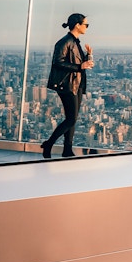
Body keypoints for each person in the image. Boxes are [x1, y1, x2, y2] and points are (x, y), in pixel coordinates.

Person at [41, 13, 94, 158]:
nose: (87, 27)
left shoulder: (75, 42)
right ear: (77, 25)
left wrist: (88, 57)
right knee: (71, 119)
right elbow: (58, 62)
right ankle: (49, 144)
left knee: (73, 118)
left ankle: (67, 149)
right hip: (67, 84)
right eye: (86, 24)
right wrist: (80, 67)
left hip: (76, 84)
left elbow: (79, 63)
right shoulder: (64, 42)